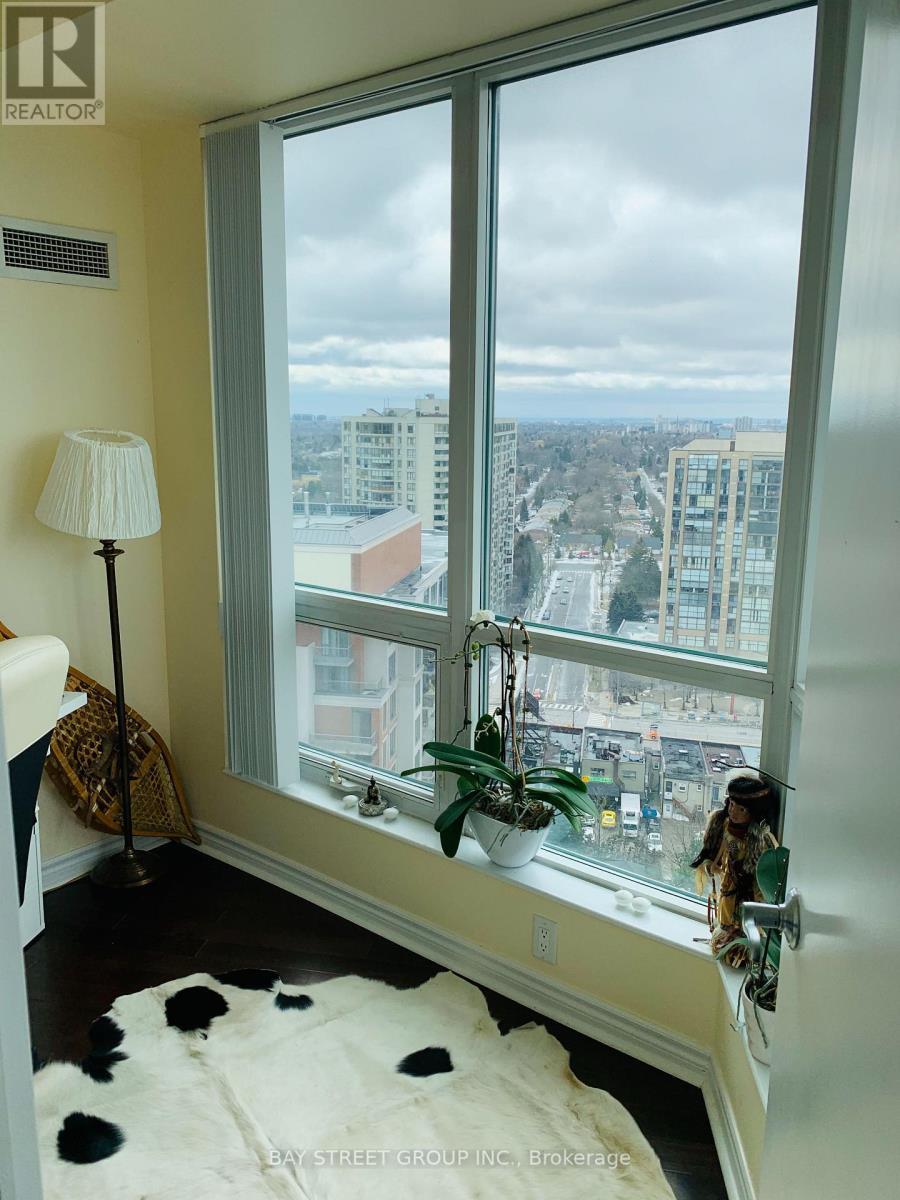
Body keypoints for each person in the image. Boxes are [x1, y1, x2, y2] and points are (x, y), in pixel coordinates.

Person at [690, 771, 778, 967]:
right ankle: (726, 931)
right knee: (726, 905)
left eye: (741, 810)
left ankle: (739, 942)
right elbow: (722, 848)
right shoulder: (725, 825)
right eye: (731, 805)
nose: (733, 811)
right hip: (730, 876)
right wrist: (714, 864)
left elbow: (758, 871)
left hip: (746, 883)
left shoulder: (758, 840)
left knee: (739, 910)